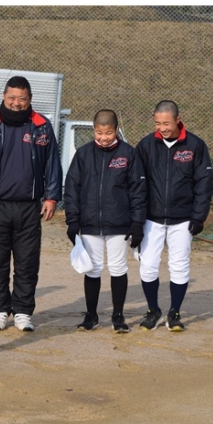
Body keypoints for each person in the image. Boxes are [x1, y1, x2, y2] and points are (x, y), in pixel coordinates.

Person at [0, 75, 63, 332]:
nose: (16, 103)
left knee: (27, 263)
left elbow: (52, 163)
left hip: (29, 207)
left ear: (30, 99)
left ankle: (22, 312)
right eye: (12, 98)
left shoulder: (42, 126)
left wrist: (52, 196)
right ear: (4, 97)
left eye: (22, 99)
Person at [64, 109, 147, 333]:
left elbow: (138, 192)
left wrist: (137, 224)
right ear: (94, 130)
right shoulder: (83, 154)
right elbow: (72, 189)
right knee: (92, 269)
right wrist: (73, 221)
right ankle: (91, 315)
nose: (103, 137)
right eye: (99, 133)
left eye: (108, 133)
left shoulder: (128, 154)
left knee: (118, 267)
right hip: (89, 223)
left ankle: (118, 316)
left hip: (119, 224)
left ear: (116, 130)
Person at [135, 100, 213, 331]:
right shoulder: (146, 145)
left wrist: (198, 216)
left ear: (178, 120)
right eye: (157, 123)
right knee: (148, 265)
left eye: (167, 123)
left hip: (183, 219)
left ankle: (174, 313)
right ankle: (153, 311)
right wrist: (136, 219)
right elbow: (136, 184)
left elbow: (204, 184)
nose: (162, 128)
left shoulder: (195, 145)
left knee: (179, 266)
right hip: (151, 218)